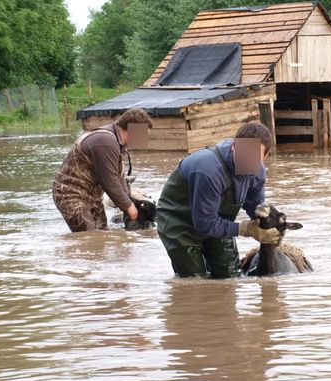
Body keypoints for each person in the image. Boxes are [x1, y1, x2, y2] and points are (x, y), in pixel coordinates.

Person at [157, 122, 281, 278]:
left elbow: (254, 207)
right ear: (234, 146)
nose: (247, 161)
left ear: (266, 155)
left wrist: (268, 228)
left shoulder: (259, 171)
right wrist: (245, 229)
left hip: (216, 222)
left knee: (231, 278)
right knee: (195, 283)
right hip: (179, 223)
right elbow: (204, 223)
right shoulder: (209, 170)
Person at [52, 107, 152, 232]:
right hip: (72, 196)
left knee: (102, 237)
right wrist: (129, 207)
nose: (143, 140)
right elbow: (109, 182)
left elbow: (119, 177)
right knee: (89, 239)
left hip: (92, 197)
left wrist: (130, 201)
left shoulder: (116, 142)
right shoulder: (106, 141)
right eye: (143, 135)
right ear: (132, 129)